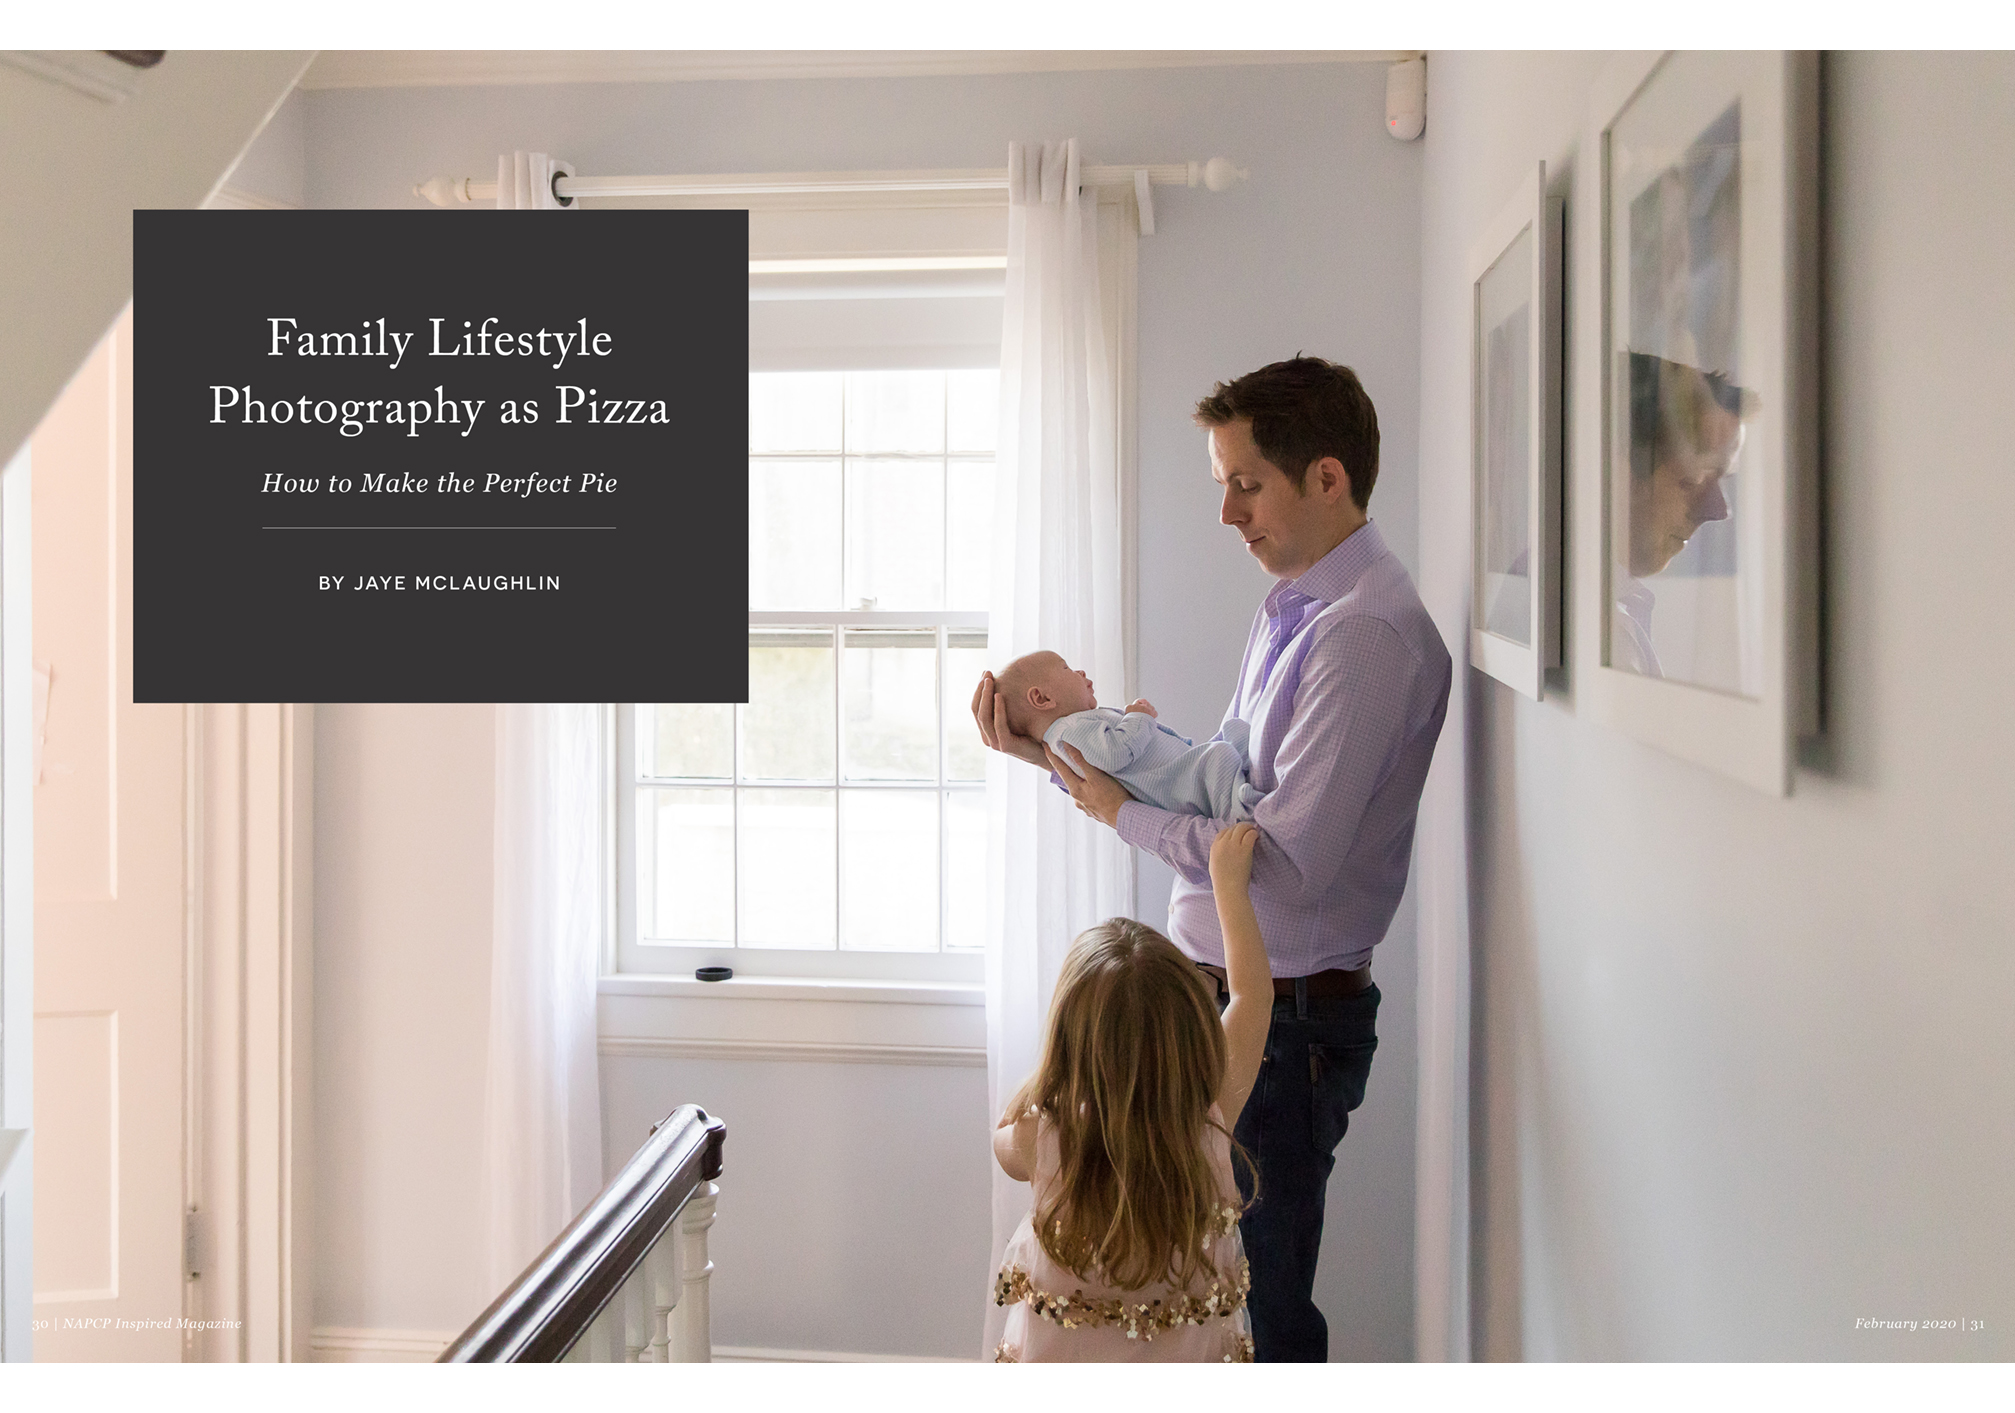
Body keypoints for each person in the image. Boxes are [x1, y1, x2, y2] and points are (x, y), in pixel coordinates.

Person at [973, 355, 1452, 1361]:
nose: (1229, 515)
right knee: (1176, 1287)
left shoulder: (1361, 637)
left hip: (1280, 1021)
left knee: (1254, 1305)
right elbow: (1224, 790)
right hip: (1228, 996)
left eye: (1246, 484)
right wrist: (1056, 756)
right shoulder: (1294, 605)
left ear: (1326, 478)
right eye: (1222, 485)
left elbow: (1275, 860)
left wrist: (1113, 814)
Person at [991, 824, 1272, 1362]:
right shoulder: (1211, 1126)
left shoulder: (1038, 1140)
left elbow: (1001, 1140)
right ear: (1192, 1033)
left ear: (1069, 1044)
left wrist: (1045, 1079)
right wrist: (1228, 889)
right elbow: (1253, 997)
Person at [992, 648, 1263, 822]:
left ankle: (1241, 789)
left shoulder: (1070, 731)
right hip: (1177, 781)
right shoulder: (1066, 732)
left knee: (1232, 736)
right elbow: (1116, 752)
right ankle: (1240, 815)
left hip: (1179, 773)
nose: (1080, 671)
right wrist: (1138, 716)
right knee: (1220, 757)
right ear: (1041, 698)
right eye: (1066, 668)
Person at [1612, 352, 1756, 677]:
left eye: (1724, 480)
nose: (1718, 510)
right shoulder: (1609, 642)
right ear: (1617, 475)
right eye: (1694, 478)